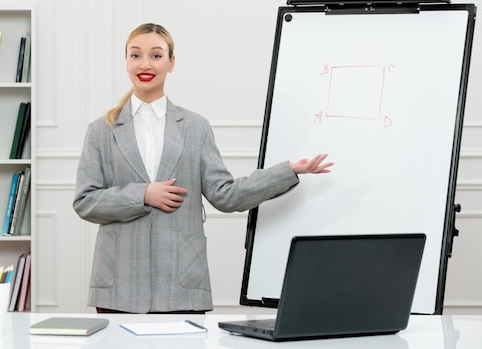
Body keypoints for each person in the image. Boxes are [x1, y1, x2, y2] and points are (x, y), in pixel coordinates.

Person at [73, 23, 333, 314]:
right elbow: (86, 202)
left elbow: (226, 195)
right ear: (126, 62)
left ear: (171, 63)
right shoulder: (100, 130)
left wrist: (289, 171)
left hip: (181, 284)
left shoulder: (196, 128)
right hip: (118, 286)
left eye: (156, 56)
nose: (145, 64)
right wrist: (143, 195)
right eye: (136, 55)